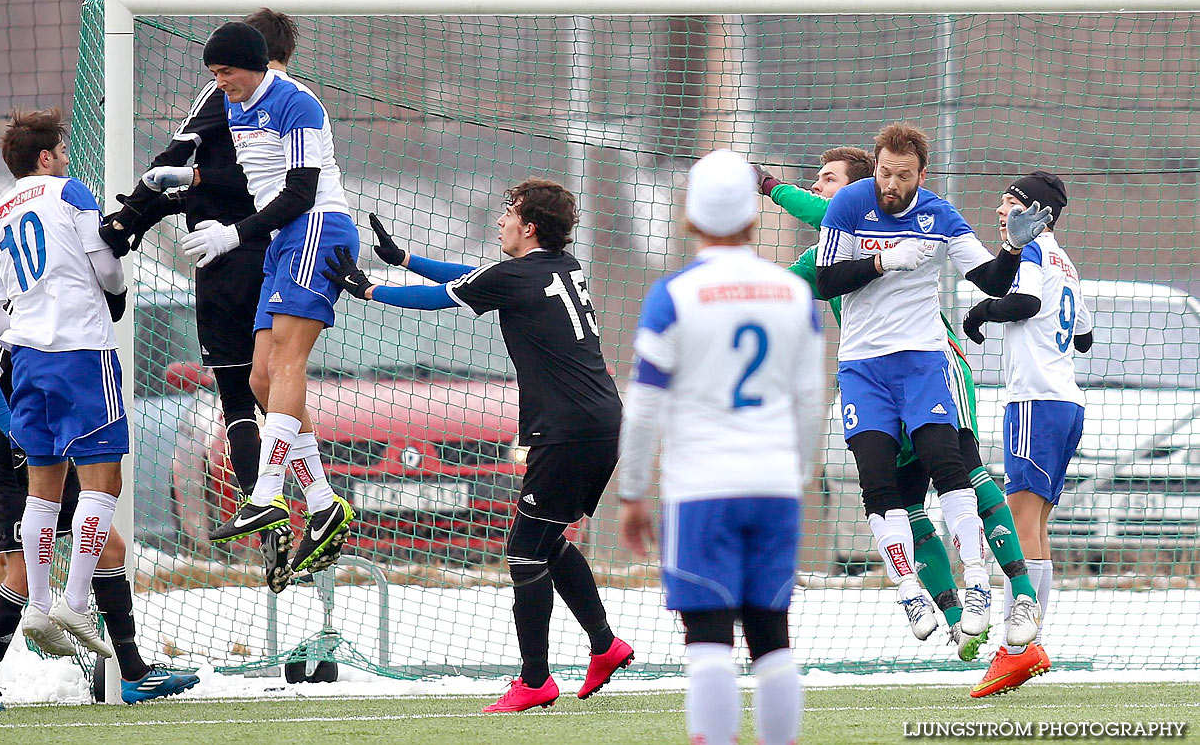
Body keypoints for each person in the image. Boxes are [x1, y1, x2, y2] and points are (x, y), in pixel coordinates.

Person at [324, 179, 633, 714]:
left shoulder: (515, 276)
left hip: (566, 429)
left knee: (522, 554)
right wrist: (404, 258)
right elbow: (473, 281)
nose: (500, 221)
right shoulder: (563, 266)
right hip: (601, 421)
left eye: (508, 212)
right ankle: (605, 645)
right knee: (546, 541)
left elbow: (440, 297)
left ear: (528, 226)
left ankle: (535, 680)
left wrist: (370, 288)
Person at [757, 148, 1040, 660]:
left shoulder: (862, 208)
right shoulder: (833, 235)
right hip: (871, 374)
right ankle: (957, 620)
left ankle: (1019, 595)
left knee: (962, 471)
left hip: (933, 362)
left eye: (828, 180)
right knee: (902, 498)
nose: (819, 189)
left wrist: (769, 184)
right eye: (817, 182)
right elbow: (799, 281)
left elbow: (807, 206)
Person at [617, 149, 824, 745]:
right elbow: (811, 400)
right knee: (772, 639)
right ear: (752, 218)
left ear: (690, 217)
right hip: (774, 485)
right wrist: (798, 472)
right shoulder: (792, 293)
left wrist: (632, 493)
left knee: (707, 640)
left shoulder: (672, 296)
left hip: (702, 488)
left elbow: (645, 407)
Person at [100, 8, 296, 593]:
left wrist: (128, 219)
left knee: (237, 396)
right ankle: (298, 503)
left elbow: (171, 169)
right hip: (282, 261)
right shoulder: (298, 104)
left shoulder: (224, 99)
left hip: (227, 263)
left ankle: (270, 527)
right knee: (280, 386)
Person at [185, 21, 356, 578]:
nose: (220, 82)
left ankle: (268, 492)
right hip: (282, 240)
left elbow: (302, 191)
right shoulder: (232, 105)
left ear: (255, 64)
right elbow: (253, 182)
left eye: (227, 71)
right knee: (260, 379)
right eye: (213, 73)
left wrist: (232, 233)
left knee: (286, 362)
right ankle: (326, 505)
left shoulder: (295, 103)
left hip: (315, 228)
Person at [0, 329, 200, 710]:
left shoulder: (63, 302)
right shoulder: (13, 304)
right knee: (22, 573)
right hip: (12, 452)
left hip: (59, 443)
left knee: (111, 547)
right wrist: (15, 432)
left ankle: (133, 672)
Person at [0, 108, 131, 660]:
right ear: (46, 158)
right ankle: (76, 599)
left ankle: (39, 605)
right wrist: (110, 285)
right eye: (62, 151)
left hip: (31, 361)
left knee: (43, 490)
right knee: (102, 483)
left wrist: (27, 325)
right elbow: (107, 270)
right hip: (83, 353)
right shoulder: (70, 193)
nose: (67, 158)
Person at [962, 171, 1092, 698]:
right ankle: (1028, 641)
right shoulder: (1066, 259)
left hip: (1035, 402)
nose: (1000, 211)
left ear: (1035, 212)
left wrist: (983, 310)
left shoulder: (1036, 251)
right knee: (1035, 524)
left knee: (1018, 520)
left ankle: (1019, 648)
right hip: (1067, 403)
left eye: (1010, 203)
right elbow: (1082, 338)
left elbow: (1029, 305)